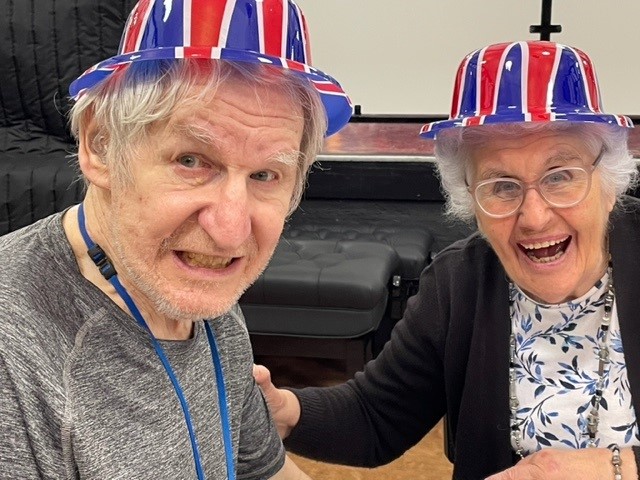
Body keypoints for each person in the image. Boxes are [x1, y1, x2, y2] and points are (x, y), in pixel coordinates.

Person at [254, 40, 640, 479]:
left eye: (561, 177)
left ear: (609, 183)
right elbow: (376, 416)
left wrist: (620, 466)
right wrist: (284, 411)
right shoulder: (460, 283)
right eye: (501, 185)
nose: (533, 216)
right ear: (470, 198)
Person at [0, 0, 352, 478]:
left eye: (266, 174)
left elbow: (264, 472)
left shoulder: (201, 294)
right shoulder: (15, 359)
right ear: (100, 145)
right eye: (191, 160)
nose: (230, 231)